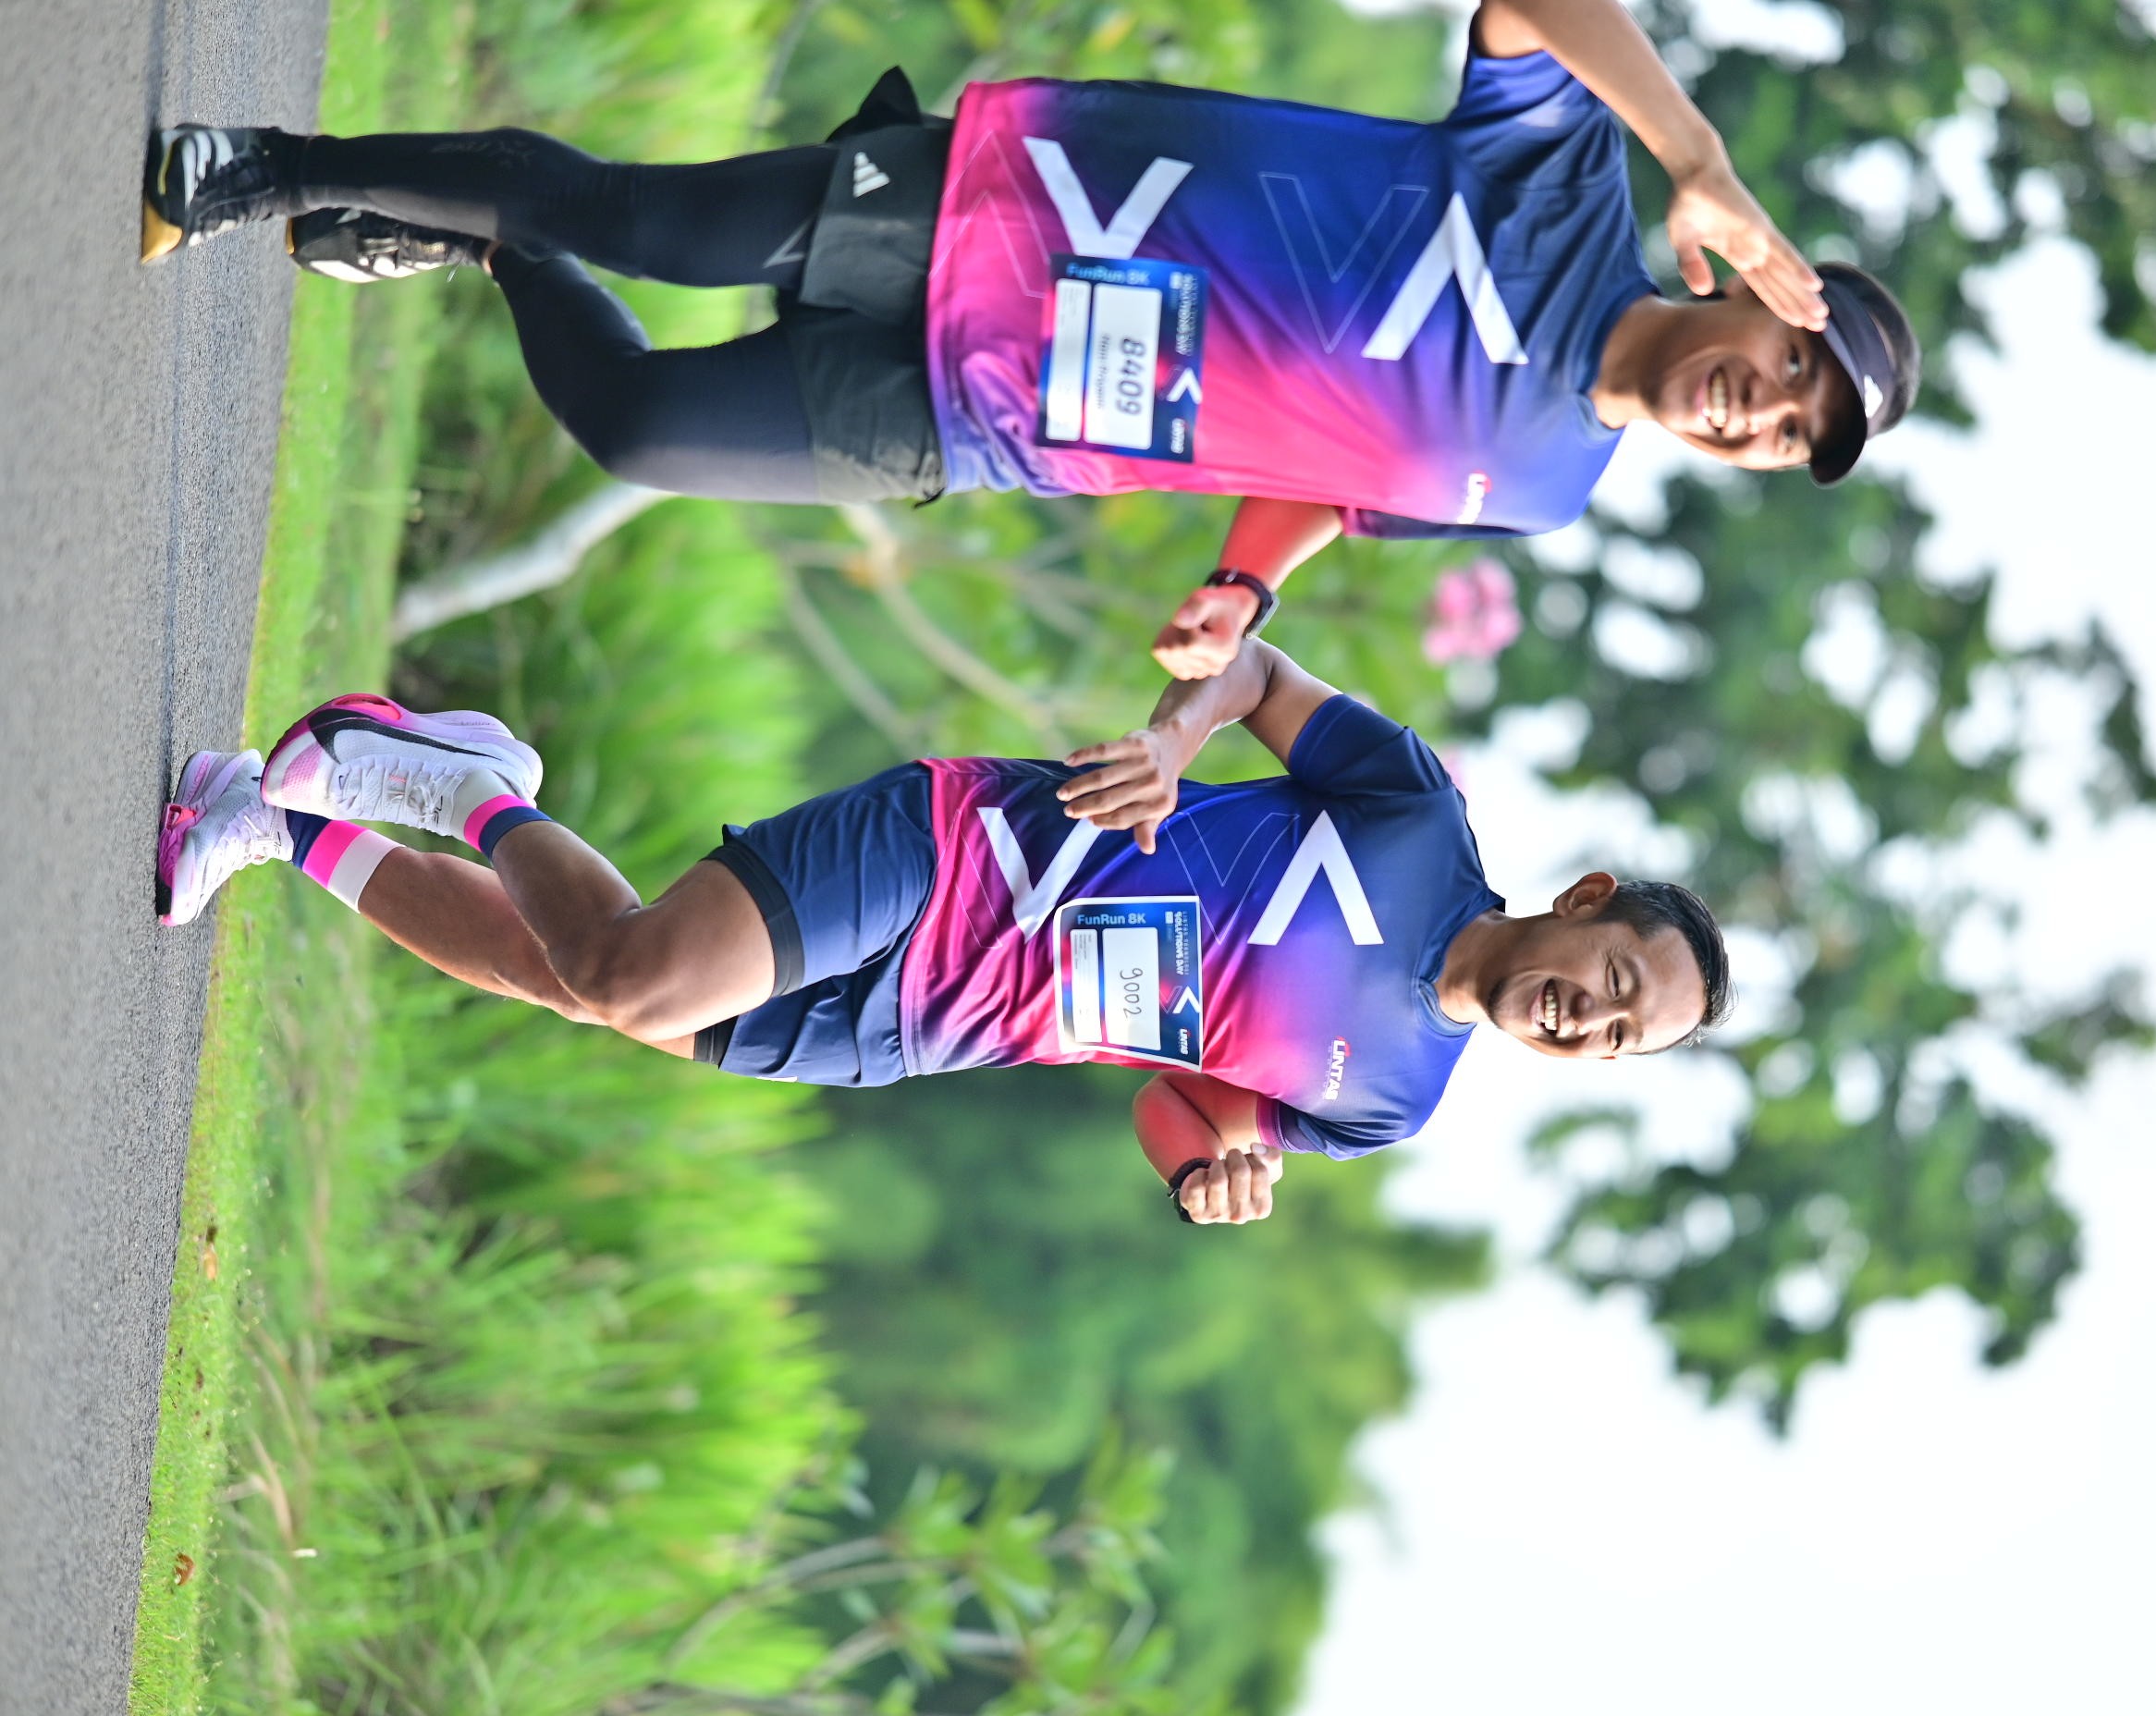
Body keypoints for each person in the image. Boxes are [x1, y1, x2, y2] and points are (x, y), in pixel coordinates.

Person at [139, 0, 1918, 679]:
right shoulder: (1570, 181)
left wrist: (1249, 590)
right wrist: (1693, 149)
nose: (1760, 411)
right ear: (1759, 291)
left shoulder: (1541, 490)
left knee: (641, 429)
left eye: (1788, 437)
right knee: (638, 225)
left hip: (1002, 412)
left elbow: (1332, 482)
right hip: (1017, 207)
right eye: (1791, 366)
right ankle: (263, 168)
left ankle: (471, 236)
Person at [155, 641, 1729, 1223]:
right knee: (636, 975)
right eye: (1615, 981)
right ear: (1587, 902)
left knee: (577, 981)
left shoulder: (1391, 1102)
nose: (1590, 1019)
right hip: (965, 858)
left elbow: (1173, 1103)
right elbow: (1253, 673)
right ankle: (472, 783)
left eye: (1619, 1037)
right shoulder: (1420, 817)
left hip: (941, 1024)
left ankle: (270, 821)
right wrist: (1174, 744)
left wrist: (1206, 1176)